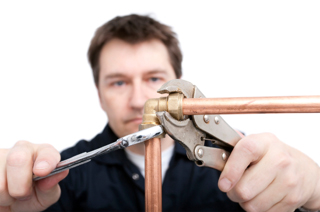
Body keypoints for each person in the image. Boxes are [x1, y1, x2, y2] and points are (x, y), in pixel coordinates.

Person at [0, 14, 319, 212]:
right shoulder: (60, 178)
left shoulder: (251, 161)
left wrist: (314, 193)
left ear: (178, 85)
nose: (140, 100)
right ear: (99, 95)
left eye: (154, 79)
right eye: (119, 82)